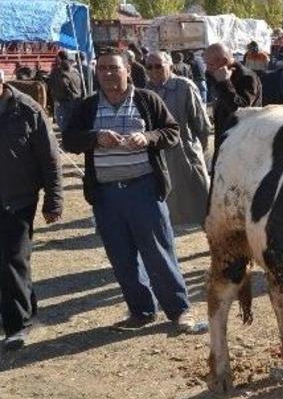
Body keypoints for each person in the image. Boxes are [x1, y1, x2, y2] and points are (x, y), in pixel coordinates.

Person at [62, 49, 201, 333]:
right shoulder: (88, 106)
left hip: (144, 190)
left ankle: (179, 310)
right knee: (122, 257)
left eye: (114, 68)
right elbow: (69, 140)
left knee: (159, 254)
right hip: (106, 195)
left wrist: (147, 137)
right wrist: (95, 138)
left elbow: (172, 132)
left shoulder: (147, 100)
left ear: (128, 70)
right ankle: (141, 311)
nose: (108, 74)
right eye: (102, 69)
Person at [0, 69, 63, 351]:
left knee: (13, 260)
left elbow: (50, 159)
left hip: (18, 199)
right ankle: (22, 312)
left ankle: (19, 325)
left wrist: (54, 200)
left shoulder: (27, 109)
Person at [144, 51, 210, 228]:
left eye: (158, 66)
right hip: (160, 155)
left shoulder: (184, 86)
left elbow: (202, 123)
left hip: (185, 150)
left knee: (201, 197)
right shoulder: (146, 91)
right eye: (149, 67)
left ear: (170, 67)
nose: (153, 71)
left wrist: (197, 148)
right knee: (167, 201)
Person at [205, 43, 261, 151]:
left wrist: (225, 83)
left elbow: (241, 110)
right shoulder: (215, 74)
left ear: (224, 61)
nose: (207, 68)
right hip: (224, 137)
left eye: (210, 64)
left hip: (242, 141)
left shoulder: (246, 77)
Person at [48, 50, 84, 131]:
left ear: (59, 58)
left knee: (64, 123)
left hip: (65, 100)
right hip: (77, 97)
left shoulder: (59, 71)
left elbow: (63, 83)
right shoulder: (75, 70)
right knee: (75, 121)